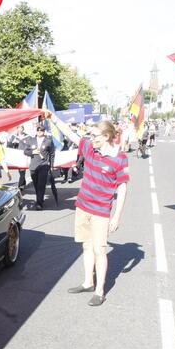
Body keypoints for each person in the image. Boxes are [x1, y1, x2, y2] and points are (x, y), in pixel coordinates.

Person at [46, 112, 130, 306]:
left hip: (101, 211)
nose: (91, 140)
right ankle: (87, 282)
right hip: (83, 206)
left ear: (107, 136)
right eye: (91, 137)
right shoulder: (90, 149)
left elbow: (123, 188)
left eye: (95, 137)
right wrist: (54, 118)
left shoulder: (120, 158)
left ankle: (100, 291)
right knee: (86, 245)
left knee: (100, 250)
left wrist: (116, 216)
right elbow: (71, 135)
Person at [24, 124, 56, 210]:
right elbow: (25, 151)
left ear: (44, 131)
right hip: (34, 166)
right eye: (38, 130)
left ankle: (39, 203)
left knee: (41, 185)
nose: (39, 132)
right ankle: (40, 198)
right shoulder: (31, 140)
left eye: (41, 130)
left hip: (44, 165)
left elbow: (52, 154)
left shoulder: (48, 141)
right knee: (36, 185)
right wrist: (32, 152)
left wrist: (52, 165)